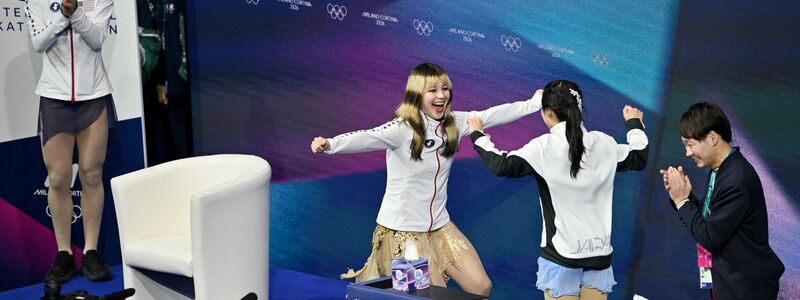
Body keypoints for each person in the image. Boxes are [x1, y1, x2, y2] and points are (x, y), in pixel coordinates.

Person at [310, 62, 543, 296]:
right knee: (430, 297)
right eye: (433, 90)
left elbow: (491, 115)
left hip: (440, 227)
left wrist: (533, 103)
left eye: (445, 88)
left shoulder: (454, 122)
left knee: (480, 287)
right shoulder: (402, 128)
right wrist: (330, 144)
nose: (441, 95)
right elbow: (365, 137)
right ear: (417, 95)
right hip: (403, 234)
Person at [467, 79, 648, 300]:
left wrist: (478, 136)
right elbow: (639, 156)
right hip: (599, 256)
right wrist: (634, 124)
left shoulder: (544, 147)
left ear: (548, 113)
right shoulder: (604, 143)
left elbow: (503, 165)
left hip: (561, 257)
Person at [26, 0, 115, 283]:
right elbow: (39, 43)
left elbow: (97, 39)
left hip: (94, 95)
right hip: (54, 97)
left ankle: (91, 251)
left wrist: (74, 11)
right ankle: (63, 253)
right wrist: (63, 15)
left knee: (92, 173)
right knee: (58, 177)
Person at [660, 102, 784, 300]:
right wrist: (684, 197)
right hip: (730, 283)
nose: (688, 153)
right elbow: (712, 220)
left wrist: (682, 201)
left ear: (712, 138)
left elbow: (710, 236)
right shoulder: (722, 170)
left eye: (690, 145)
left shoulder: (736, 179)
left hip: (746, 289)